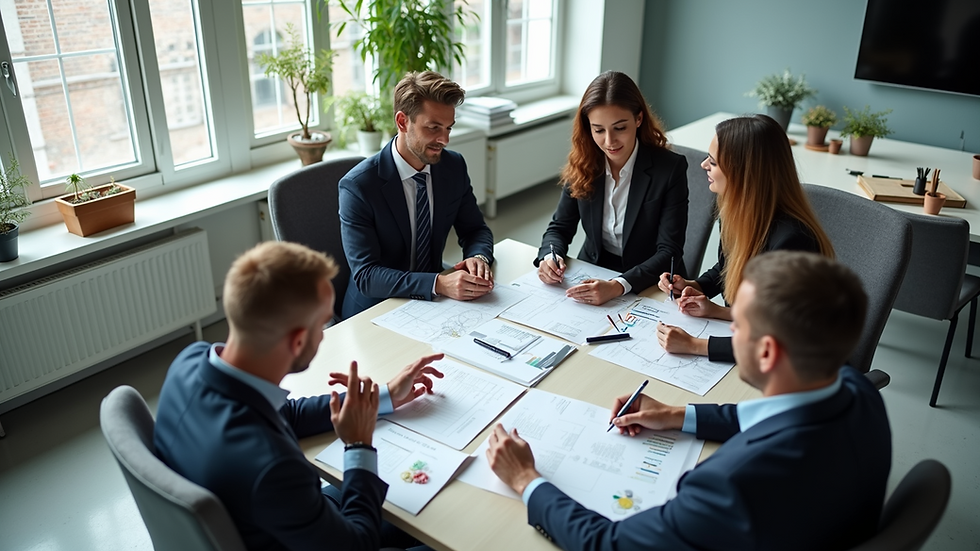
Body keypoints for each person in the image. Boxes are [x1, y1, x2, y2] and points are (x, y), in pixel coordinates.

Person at [487, 251, 892, 551]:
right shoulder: (858, 392)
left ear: (766, 353)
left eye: (738, 323)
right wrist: (675, 415)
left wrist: (526, 480)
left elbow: (606, 544)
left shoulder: (727, 486)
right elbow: (767, 416)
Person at [154, 241, 444, 551]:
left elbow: (284, 415)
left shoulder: (190, 361)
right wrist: (358, 444)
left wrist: (381, 397)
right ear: (298, 341)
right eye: (323, 323)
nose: (325, 331)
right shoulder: (272, 467)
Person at [657, 114, 833, 361]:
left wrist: (695, 345)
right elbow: (728, 266)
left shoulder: (794, 243)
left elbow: (777, 339)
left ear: (743, 174)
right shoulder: (736, 212)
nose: (704, 165)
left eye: (714, 162)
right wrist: (694, 286)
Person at [339, 71, 494, 320]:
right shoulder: (359, 187)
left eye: (448, 128)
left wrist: (478, 256)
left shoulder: (452, 167)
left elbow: (475, 229)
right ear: (402, 122)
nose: (444, 140)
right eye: (433, 128)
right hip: (375, 309)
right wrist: (438, 284)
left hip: (433, 305)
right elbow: (366, 275)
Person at [535, 71, 688, 305]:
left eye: (619, 128)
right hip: (595, 270)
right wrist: (549, 256)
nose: (609, 141)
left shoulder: (669, 169)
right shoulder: (583, 162)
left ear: (638, 119)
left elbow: (669, 250)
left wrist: (618, 285)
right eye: (598, 130)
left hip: (651, 282)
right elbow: (560, 227)